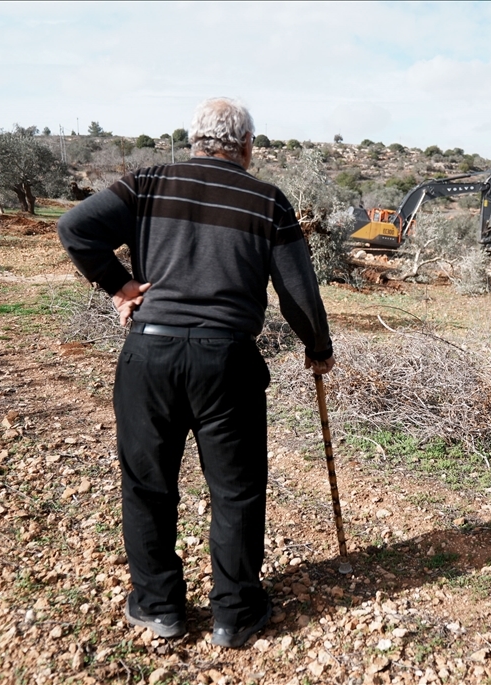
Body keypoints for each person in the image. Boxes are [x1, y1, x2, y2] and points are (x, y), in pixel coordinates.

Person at [57, 98, 334, 648]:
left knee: (147, 485)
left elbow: (74, 228)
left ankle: (158, 606)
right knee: (236, 490)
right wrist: (318, 347)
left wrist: (119, 285)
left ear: (194, 140)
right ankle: (235, 613)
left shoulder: (146, 183)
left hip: (149, 357)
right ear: (247, 145)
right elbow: (297, 291)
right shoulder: (267, 200)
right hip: (226, 362)